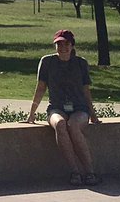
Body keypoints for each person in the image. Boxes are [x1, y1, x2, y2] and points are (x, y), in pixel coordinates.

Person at [25, 28, 101, 185]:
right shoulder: (47, 62)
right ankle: (75, 172)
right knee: (60, 124)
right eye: (59, 44)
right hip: (56, 107)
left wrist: (93, 114)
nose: (62, 47)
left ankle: (90, 172)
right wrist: (32, 113)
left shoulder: (81, 63)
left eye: (66, 43)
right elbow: (40, 88)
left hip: (79, 108)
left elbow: (86, 91)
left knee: (73, 125)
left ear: (72, 45)